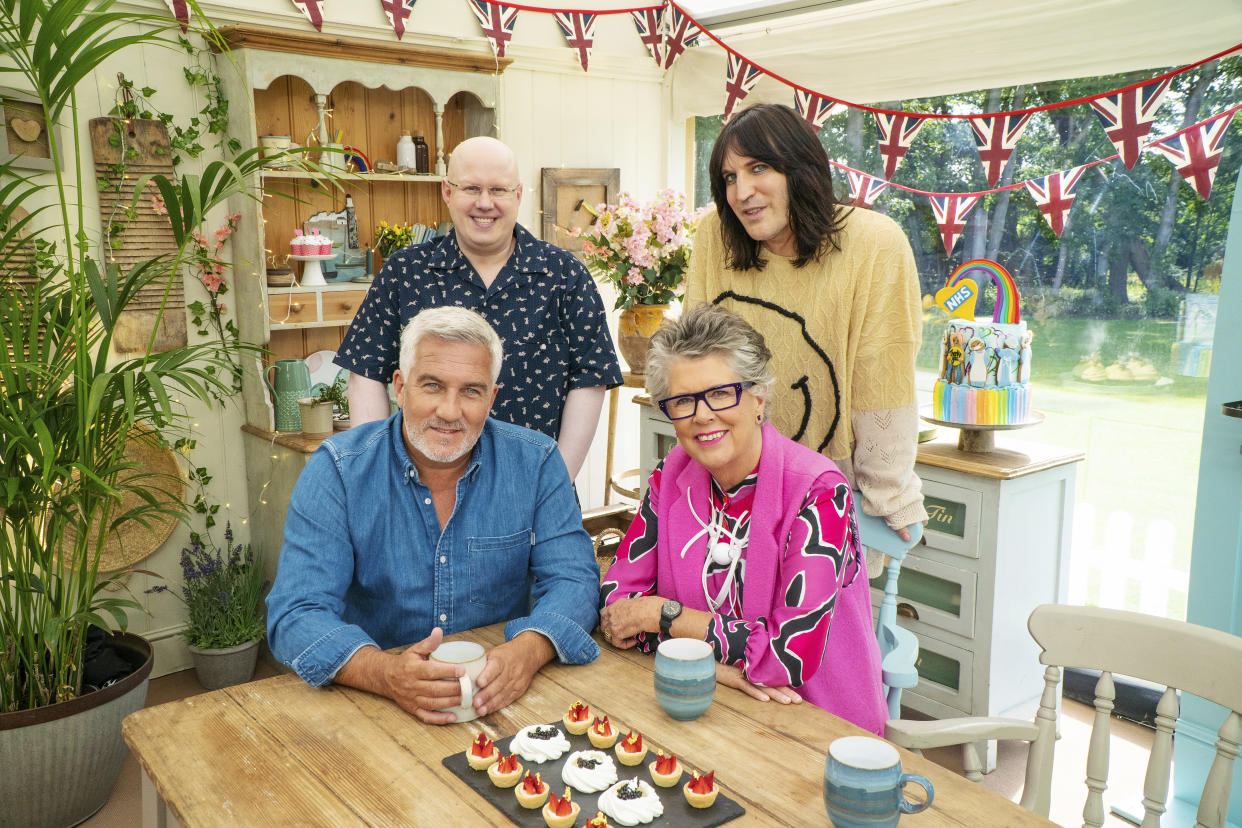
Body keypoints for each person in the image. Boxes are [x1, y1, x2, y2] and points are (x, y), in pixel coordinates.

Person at [267, 307, 601, 724]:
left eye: (471, 391)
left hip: (502, 697)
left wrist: (530, 650)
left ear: (492, 398)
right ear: (400, 387)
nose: (449, 410)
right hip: (373, 702)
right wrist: (385, 674)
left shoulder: (536, 462)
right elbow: (297, 611)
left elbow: (575, 578)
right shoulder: (338, 469)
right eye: (432, 386)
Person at [598, 305, 886, 735]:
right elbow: (617, 610)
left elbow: (788, 656)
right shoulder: (669, 475)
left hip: (813, 723)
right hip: (702, 703)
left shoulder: (821, 493)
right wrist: (720, 669)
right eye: (682, 401)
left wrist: (663, 614)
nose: (701, 415)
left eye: (720, 393)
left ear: (758, 396)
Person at [685, 103, 927, 537]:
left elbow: (882, 376)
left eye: (758, 167)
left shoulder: (875, 244)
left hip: (827, 498)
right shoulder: (713, 237)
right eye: (730, 177)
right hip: (725, 492)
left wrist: (890, 494)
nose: (741, 192)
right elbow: (694, 365)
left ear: (801, 167)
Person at [336, 136, 622, 480]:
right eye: (471, 188)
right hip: (423, 490)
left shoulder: (565, 276)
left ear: (518, 195)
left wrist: (557, 481)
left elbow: (590, 381)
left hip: (531, 486)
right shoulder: (403, 273)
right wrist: (381, 475)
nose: (484, 203)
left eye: (498, 190)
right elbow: (365, 373)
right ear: (447, 192)